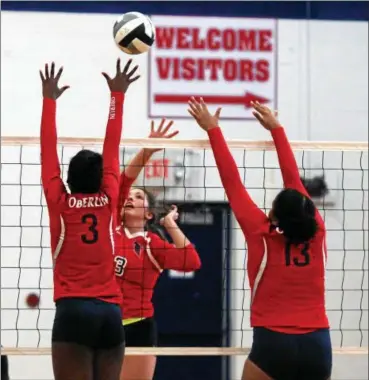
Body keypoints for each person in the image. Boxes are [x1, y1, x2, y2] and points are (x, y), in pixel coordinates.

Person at [188, 98, 332, 380]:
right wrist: (277, 129)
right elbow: (294, 181)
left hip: (273, 342)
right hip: (318, 343)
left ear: (276, 217)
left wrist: (212, 130)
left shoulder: (260, 233)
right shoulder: (318, 229)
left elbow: (232, 183)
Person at [40, 59, 139, 380]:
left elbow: (47, 152)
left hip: (73, 312)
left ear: (68, 178)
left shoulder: (60, 202)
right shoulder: (110, 197)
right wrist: (117, 97)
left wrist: (49, 101)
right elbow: (113, 146)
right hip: (111, 315)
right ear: (101, 178)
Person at [114, 119, 202, 380]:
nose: (130, 198)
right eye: (129, 196)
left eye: (138, 197)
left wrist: (170, 224)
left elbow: (192, 261)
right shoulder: (109, 231)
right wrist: (147, 150)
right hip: (103, 323)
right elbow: (123, 181)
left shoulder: (153, 244)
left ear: (149, 213)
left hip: (138, 326)